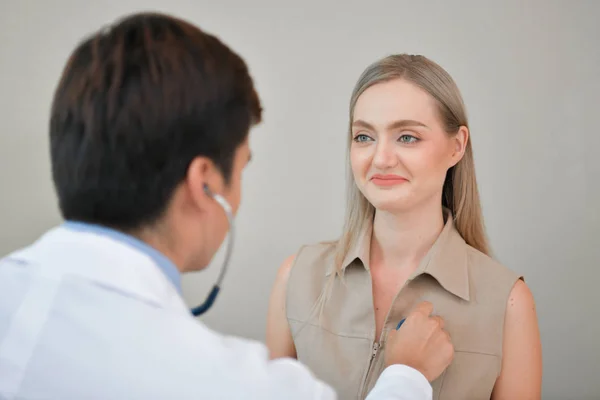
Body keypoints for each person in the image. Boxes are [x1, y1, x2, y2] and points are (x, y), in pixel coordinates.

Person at [0, 13, 454, 400]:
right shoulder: (226, 382)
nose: (382, 157)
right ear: (204, 184)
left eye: (408, 135)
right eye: (240, 170)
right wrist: (406, 377)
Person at [266, 54, 543, 399]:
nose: (381, 158)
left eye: (407, 137)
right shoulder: (296, 278)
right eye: (364, 137)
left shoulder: (508, 304)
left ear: (456, 146)